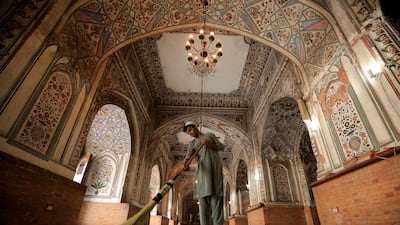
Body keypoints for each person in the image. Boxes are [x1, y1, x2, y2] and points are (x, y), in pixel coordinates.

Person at [182, 121, 225, 225]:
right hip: (203, 173)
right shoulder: (192, 144)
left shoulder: (210, 136)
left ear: (195, 127)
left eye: (190, 130)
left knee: (216, 202)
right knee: (203, 204)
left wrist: (209, 144)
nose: (190, 133)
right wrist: (185, 165)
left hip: (215, 171)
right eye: (188, 133)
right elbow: (187, 159)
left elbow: (221, 146)